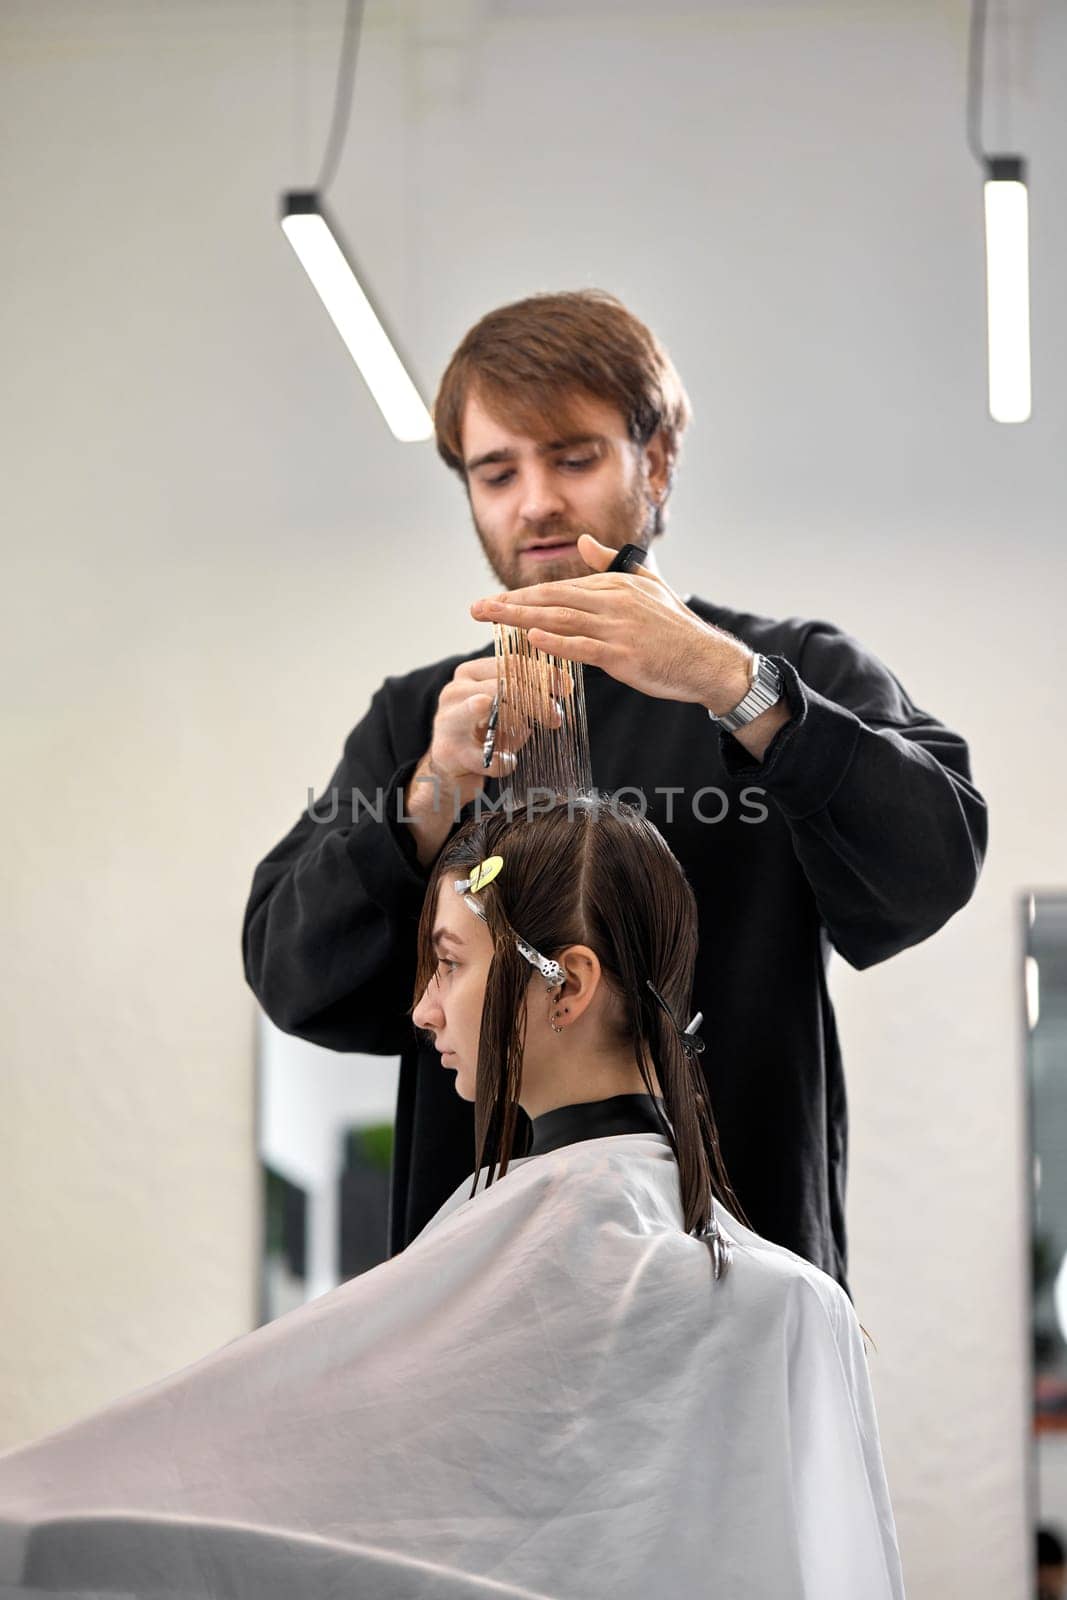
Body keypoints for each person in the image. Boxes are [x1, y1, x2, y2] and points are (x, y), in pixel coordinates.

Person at [242, 287, 988, 1295]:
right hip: (478, 1313)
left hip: (737, 1292)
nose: (535, 501)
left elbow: (929, 866)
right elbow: (294, 974)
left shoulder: (785, 670)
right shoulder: (417, 717)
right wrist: (429, 792)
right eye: (495, 471)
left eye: (573, 457)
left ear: (657, 461)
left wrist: (735, 687)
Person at [0, 800, 907, 1599]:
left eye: (448, 964)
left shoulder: (693, 1277)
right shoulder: (780, 1295)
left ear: (570, 985)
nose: (425, 1010)